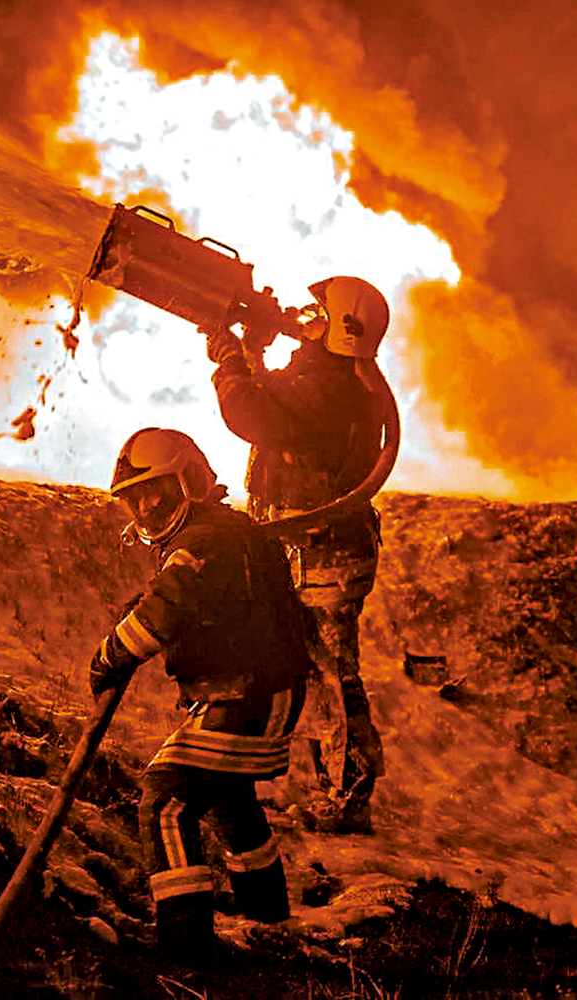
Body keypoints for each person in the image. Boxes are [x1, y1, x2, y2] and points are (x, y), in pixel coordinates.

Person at [88, 427, 312, 958]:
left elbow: (163, 612)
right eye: (134, 498)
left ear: (187, 480)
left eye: (154, 492)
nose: (144, 508)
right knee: (230, 802)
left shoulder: (205, 541)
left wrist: (109, 656)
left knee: (165, 802)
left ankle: (184, 951)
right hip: (259, 692)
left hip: (246, 697)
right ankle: (269, 923)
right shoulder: (220, 533)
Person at [204, 275, 390, 834]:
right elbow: (274, 399)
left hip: (322, 558)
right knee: (314, 670)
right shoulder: (333, 377)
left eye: (314, 311)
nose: (300, 314)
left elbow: (251, 413)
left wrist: (230, 359)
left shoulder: (329, 387)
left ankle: (349, 797)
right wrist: (252, 348)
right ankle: (327, 785)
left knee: (334, 676)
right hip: (319, 552)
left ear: (339, 327)